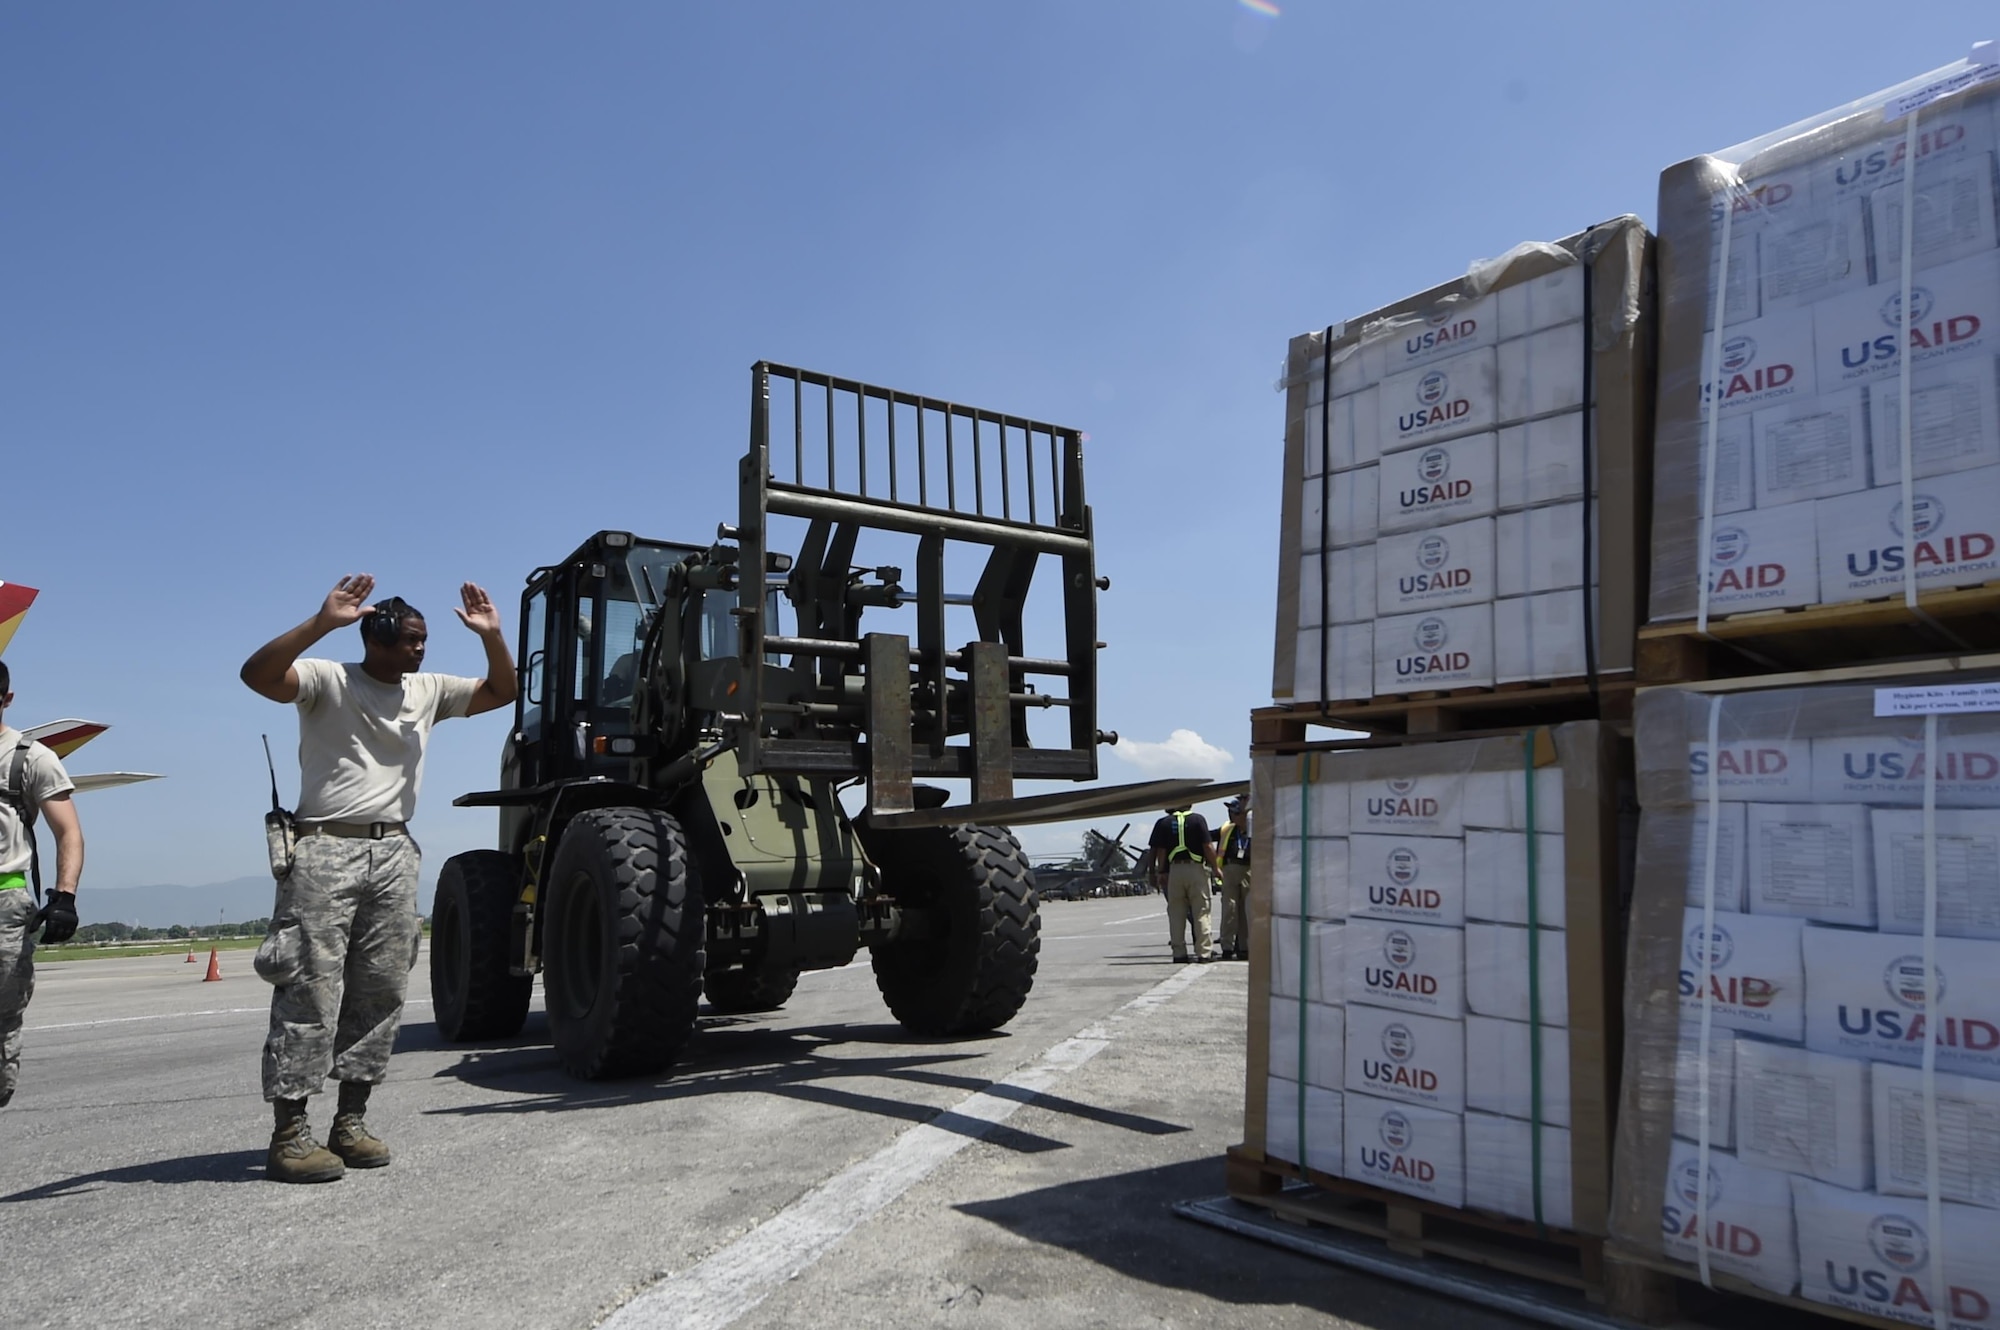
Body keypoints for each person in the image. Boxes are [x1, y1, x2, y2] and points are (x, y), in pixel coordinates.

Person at [239, 575, 516, 1183]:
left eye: (424, 640)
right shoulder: (328, 680)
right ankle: (289, 1134)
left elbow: (502, 690)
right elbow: (256, 675)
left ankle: (350, 1122)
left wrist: (492, 636)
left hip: (393, 850)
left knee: (381, 990)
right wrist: (320, 622)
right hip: (323, 849)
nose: (421, 650)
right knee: (309, 989)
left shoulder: (428, 690)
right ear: (377, 639)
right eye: (411, 640)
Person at [0, 660, 86, 1108]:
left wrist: (64, 896)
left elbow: (68, 832)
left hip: (5, 902)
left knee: (2, 1017)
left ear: (6, 699)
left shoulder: (31, 758)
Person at [1148, 804, 1218, 963]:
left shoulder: (1163, 823)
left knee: (1176, 913)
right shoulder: (1198, 820)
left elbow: (1158, 850)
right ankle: (1204, 952)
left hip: (1174, 871)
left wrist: (1157, 872)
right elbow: (1207, 846)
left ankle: (1178, 953)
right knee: (1201, 911)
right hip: (1196, 869)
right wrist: (1216, 867)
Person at [1213, 795, 1252, 961]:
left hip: (1249, 870)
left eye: (1235, 812)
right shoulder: (1227, 829)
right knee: (1229, 909)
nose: (1231, 815)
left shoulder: (1254, 829)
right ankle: (1227, 947)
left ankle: (1245, 948)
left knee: (1247, 911)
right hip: (1230, 870)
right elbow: (1206, 836)